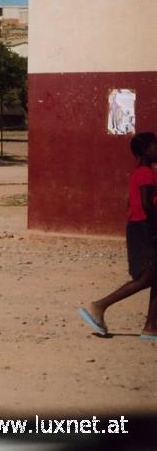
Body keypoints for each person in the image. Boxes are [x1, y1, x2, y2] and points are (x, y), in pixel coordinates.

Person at [79, 132, 157, 340]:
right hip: (145, 228)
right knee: (147, 277)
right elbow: (147, 204)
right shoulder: (145, 173)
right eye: (154, 145)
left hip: (141, 226)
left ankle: (151, 327)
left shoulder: (143, 172)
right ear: (145, 150)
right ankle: (99, 306)